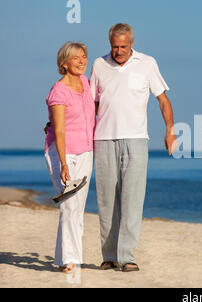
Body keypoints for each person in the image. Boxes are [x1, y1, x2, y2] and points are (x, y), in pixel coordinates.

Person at [90, 23, 177, 272]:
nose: (118, 51)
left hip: (137, 140)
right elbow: (91, 105)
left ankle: (126, 256)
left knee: (133, 199)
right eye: (114, 47)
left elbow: (162, 100)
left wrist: (170, 131)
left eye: (123, 47)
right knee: (107, 201)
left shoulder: (147, 63)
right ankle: (109, 255)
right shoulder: (98, 65)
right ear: (110, 44)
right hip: (104, 139)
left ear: (132, 43)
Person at [44, 42, 96, 273]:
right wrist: (64, 163)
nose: (82, 61)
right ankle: (70, 260)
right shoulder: (58, 91)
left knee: (77, 206)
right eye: (76, 57)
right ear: (64, 63)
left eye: (84, 56)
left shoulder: (85, 83)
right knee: (69, 205)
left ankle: (64, 258)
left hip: (86, 151)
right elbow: (61, 130)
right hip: (63, 154)